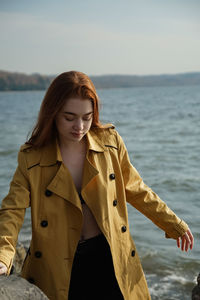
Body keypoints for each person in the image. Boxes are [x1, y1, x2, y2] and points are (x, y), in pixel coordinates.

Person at [0, 71, 194, 300]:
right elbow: (13, 208)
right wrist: (3, 255)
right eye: (69, 117)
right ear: (52, 113)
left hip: (109, 257)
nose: (79, 126)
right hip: (58, 265)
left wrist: (172, 223)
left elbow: (136, 189)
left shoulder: (110, 143)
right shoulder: (31, 157)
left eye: (87, 117)